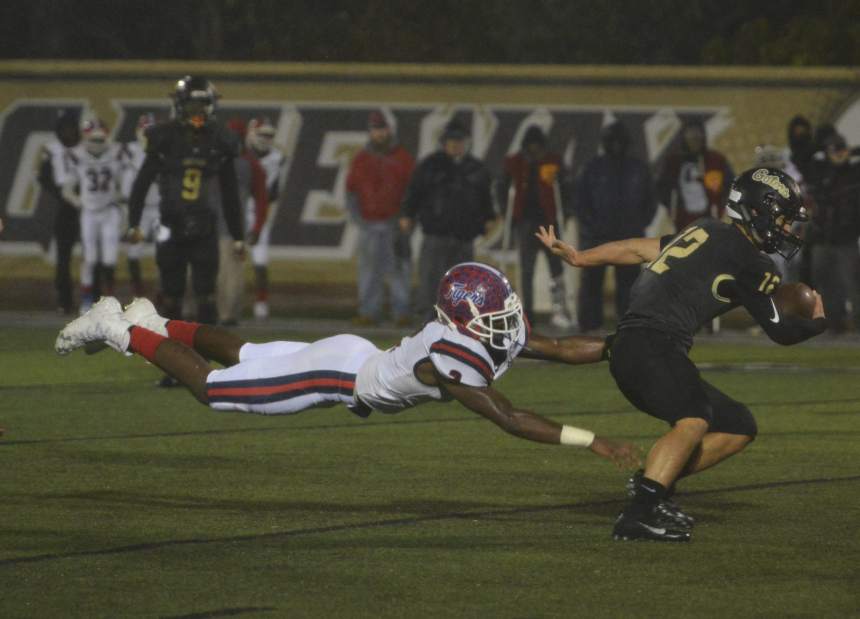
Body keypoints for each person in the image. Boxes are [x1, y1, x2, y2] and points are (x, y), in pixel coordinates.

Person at [55, 262, 641, 470]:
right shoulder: (454, 355)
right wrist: (593, 440)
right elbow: (509, 418)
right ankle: (121, 329)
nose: (509, 319)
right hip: (338, 376)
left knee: (248, 355)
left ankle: (156, 320)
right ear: (467, 320)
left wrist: (627, 342)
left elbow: (561, 348)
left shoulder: (476, 334)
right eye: (498, 312)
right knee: (215, 388)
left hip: (354, 356)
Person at [538, 167, 827, 542]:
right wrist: (818, 322)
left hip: (633, 344)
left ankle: (653, 484)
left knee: (738, 424)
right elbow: (781, 332)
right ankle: (639, 512)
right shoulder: (752, 263)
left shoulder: (704, 229)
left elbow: (635, 248)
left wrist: (581, 257)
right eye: (784, 218)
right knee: (693, 419)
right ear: (759, 211)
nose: (787, 228)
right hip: (654, 346)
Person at [126, 75, 244, 329]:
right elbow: (141, 184)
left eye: (202, 106)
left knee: (206, 296)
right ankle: (173, 350)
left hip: (203, 223)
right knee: (170, 295)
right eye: (192, 106)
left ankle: (205, 352)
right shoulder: (164, 137)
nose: (197, 113)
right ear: (180, 105)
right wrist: (133, 222)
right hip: (169, 222)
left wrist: (237, 234)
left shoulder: (219, 139)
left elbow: (230, 193)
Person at [400, 118, 498, 321]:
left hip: (464, 235)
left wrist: (488, 218)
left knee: (462, 283)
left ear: (466, 143)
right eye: (451, 141)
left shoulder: (476, 168)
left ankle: (458, 321)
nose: (455, 145)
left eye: (459, 141)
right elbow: (414, 192)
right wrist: (407, 214)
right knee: (431, 280)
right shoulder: (430, 165)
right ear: (444, 142)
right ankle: (428, 321)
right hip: (436, 233)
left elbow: (485, 198)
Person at [570, 121, 656, 332]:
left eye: (620, 141)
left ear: (626, 143)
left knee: (630, 285)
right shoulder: (592, 168)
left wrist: (638, 224)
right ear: (605, 142)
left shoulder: (638, 169)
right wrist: (591, 227)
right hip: (597, 236)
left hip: (629, 237)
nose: (616, 145)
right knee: (592, 283)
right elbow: (580, 202)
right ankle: (589, 326)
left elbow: (650, 202)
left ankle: (629, 326)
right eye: (612, 141)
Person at [499, 125, 573, 329]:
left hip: (550, 222)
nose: (534, 150)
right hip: (525, 222)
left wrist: (566, 212)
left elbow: (566, 188)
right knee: (526, 270)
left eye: (537, 146)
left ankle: (559, 310)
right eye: (531, 146)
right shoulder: (514, 162)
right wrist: (506, 212)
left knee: (556, 267)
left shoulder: (553, 161)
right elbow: (502, 187)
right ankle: (527, 313)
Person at [346, 110, 415, 326]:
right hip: (369, 224)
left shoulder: (403, 158)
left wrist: (407, 217)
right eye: (376, 129)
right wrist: (359, 219)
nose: (379, 133)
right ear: (370, 132)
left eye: (382, 129)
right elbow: (351, 191)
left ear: (389, 130)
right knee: (369, 271)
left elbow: (413, 191)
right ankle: (369, 312)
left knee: (398, 270)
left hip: (396, 225)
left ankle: (401, 313)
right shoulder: (361, 159)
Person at [62, 116, 125, 314]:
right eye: (93, 139)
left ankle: (110, 302)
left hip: (109, 212)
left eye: (100, 139)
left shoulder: (116, 154)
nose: (97, 143)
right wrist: (79, 202)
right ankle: (87, 301)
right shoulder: (77, 156)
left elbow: (124, 185)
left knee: (110, 260)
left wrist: (119, 198)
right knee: (89, 259)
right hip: (89, 213)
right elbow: (67, 189)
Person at [805, 132, 860, 333]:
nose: (839, 155)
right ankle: (832, 325)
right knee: (825, 285)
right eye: (834, 151)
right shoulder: (819, 172)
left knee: (852, 285)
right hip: (822, 239)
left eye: (841, 150)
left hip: (847, 239)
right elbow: (801, 154)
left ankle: (857, 325)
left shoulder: (854, 173)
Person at [217, 118, 268, 326]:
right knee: (232, 271)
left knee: (225, 272)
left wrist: (257, 227)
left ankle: (225, 314)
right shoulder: (251, 163)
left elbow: (262, 199)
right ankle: (229, 313)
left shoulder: (218, 159)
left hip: (221, 225)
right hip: (232, 225)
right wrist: (257, 227)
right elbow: (262, 199)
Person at [38, 109, 81, 315]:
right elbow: (44, 177)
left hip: (88, 205)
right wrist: (61, 194)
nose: (68, 133)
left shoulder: (86, 148)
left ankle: (95, 298)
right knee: (63, 257)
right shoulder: (52, 150)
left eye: (71, 128)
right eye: (64, 129)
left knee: (95, 255)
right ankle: (65, 300)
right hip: (65, 208)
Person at [657, 118, 734, 232]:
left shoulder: (716, 160)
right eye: (690, 135)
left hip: (710, 219)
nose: (694, 139)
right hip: (683, 221)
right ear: (683, 138)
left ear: (703, 137)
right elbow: (662, 188)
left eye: (698, 135)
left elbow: (731, 185)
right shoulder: (673, 163)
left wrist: (720, 203)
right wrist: (673, 209)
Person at [245, 117, 287, 321]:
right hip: (236, 210)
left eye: (270, 135)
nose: (266, 138)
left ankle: (261, 302)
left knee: (260, 261)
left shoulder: (277, 158)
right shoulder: (240, 154)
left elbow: (275, 192)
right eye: (262, 134)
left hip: (258, 211)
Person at [121, 113, 161, 297]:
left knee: (165, 250)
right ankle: (137, 290)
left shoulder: (163, 149)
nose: (147, 135)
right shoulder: (130, 151)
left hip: (160, 209)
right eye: (145, 130)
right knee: (134, 251)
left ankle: (163, 290)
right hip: (140, 210)